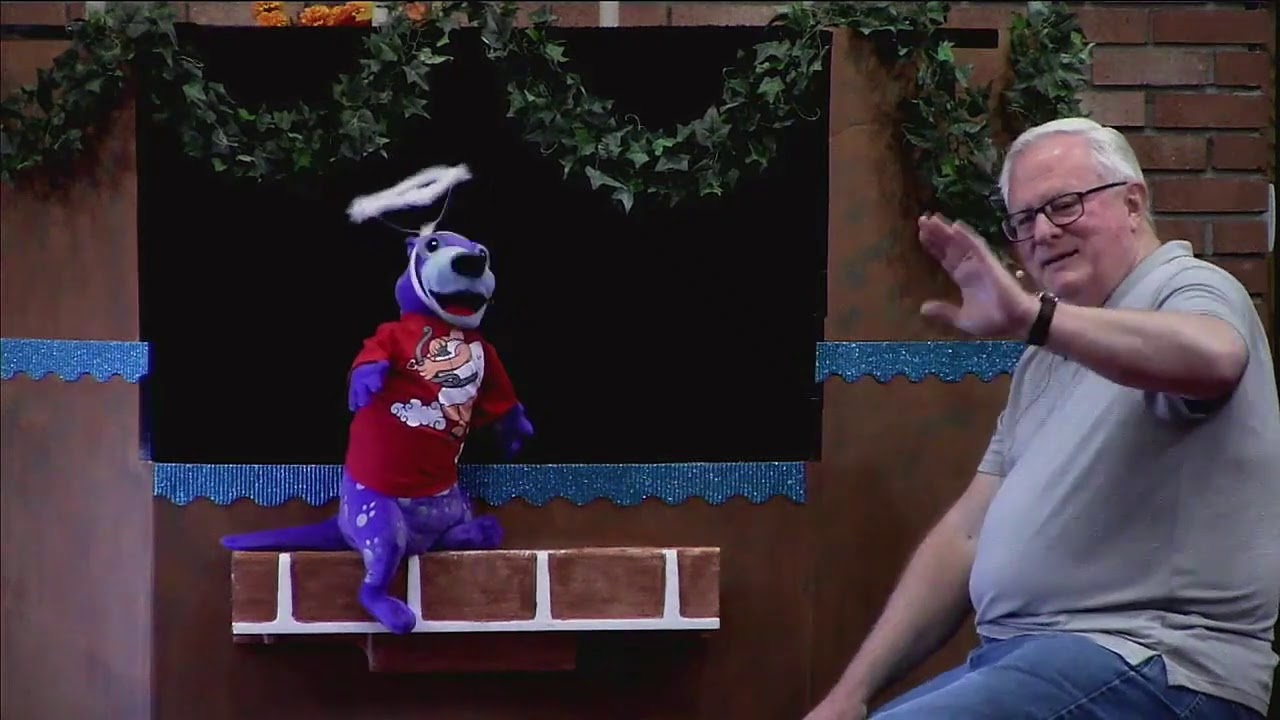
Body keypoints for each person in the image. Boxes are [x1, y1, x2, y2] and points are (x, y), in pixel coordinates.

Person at [804, 117, 1280, 719]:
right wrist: (850, 693)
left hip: (1151, 661)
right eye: (1024, 220)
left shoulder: (1185, 286)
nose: (1044, 232)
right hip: (1027, 661)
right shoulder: (1045, 357)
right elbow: (965, 535)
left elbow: (1215, 357)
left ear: (1133, 203)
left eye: (1064, 205)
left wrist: (1036, 317)